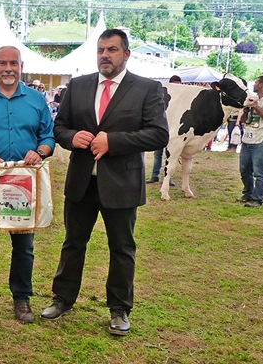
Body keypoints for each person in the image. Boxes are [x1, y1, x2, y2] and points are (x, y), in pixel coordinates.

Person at [41, 29, 168, 337]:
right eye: (100, 50)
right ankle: (63, 298)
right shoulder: (79, 85)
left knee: (122, 248)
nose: (104, 55)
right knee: (73, 243)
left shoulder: (147, 89)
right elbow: (59, 127)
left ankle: (120, 308)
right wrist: (73, 137)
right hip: (82, 182)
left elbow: (158, 134)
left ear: (126, 54)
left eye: (112, 50)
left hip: (121, 183)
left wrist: (114, 141)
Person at [0, 46, 54, 324]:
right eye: (2, 63)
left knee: (24, 245)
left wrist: (39, 151)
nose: (8, 68)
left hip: (24, 181)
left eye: (13, 63)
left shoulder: (37, 100)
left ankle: (22, 297)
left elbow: (49, 137)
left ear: (21, 65)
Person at [237, 75, 263, 208]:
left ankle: (257, 198)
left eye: (256, 82)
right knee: (244, 169)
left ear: (261, 84)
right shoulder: (253, 100)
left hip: (262, 139)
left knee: (259, 171)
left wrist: (256, 107)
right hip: (248, 137)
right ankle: (248, 193)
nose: (254, 85)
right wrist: (245, 111)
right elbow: (244, 121)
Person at [147, 74, 180, 185]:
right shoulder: (161, 95)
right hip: (161, 128)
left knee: (170, 155)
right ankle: (155, 175)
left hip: (174, 130)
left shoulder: (180, 100)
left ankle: (168, 177)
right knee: (158, 153)